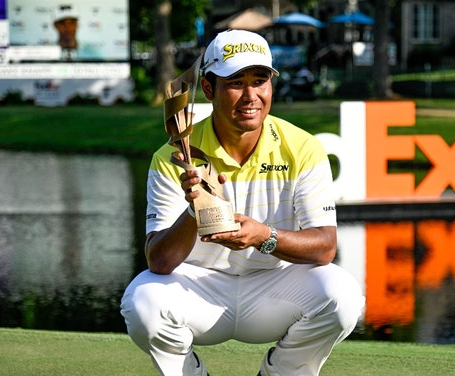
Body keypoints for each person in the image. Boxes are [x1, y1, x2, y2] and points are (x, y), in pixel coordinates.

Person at [120, 29, 364, 376]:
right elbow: (158, 261)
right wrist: (195, 209)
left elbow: (324, 246)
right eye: (236, 82)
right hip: (198, 287)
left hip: (275, 289)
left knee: (343, 296)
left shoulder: (303, 148)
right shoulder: (174, 156)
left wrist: (265, 236)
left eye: (260, 81)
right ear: (209, 89)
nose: (251, 96)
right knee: (142, 301)